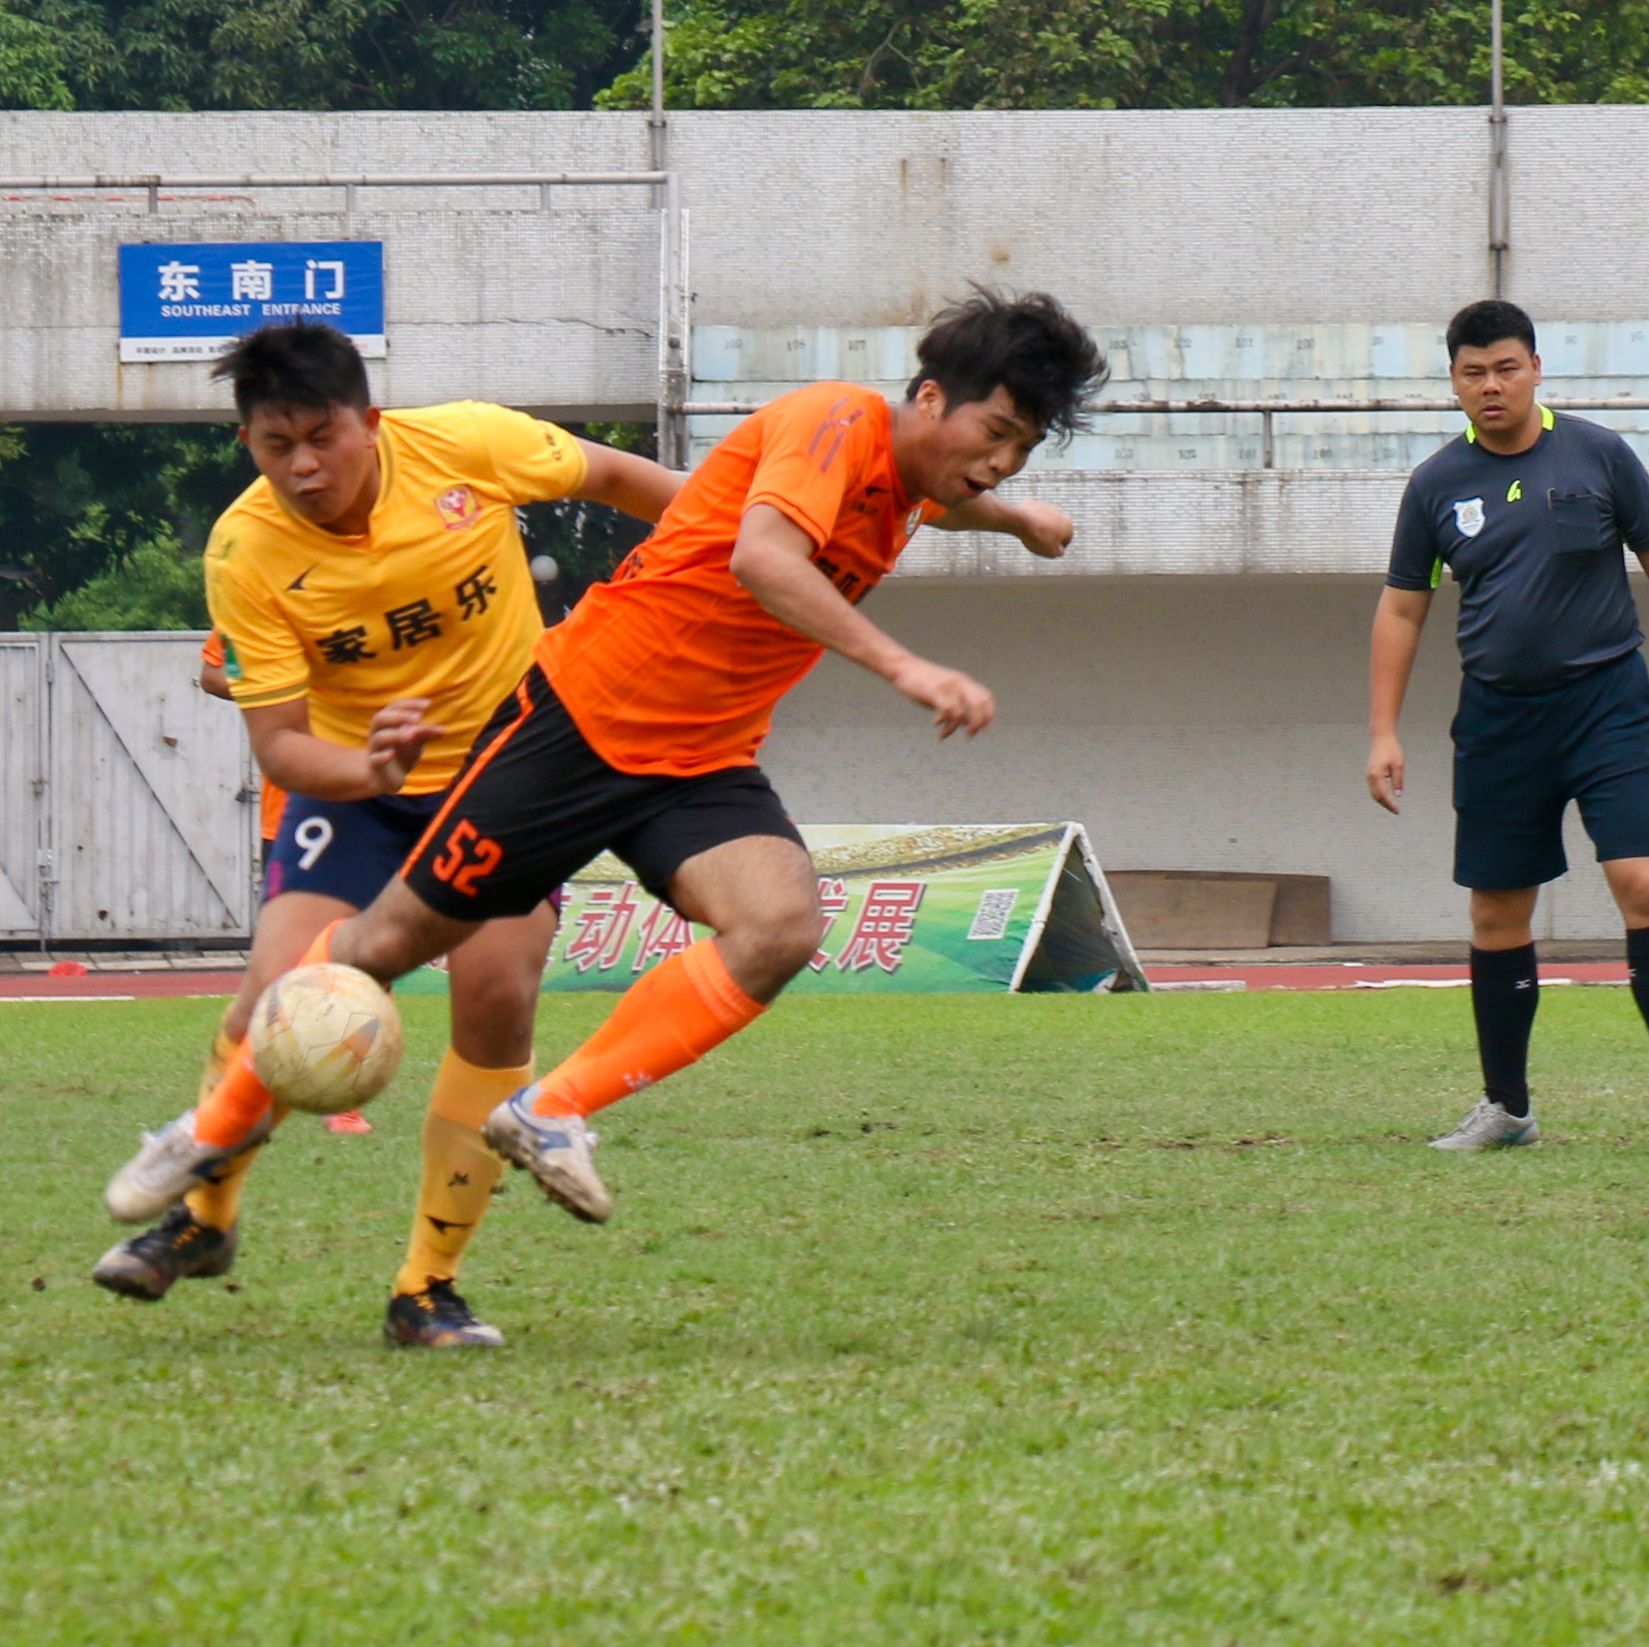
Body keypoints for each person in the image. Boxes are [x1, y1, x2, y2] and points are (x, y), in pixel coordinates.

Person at [120, 288, 1104, 1234]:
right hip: (581, 723)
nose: (1003, 462)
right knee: (379, 949)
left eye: (1022, 448)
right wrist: (907, 668)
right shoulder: (832, 421)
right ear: (931, 398)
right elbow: (764, 557)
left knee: (780, 925)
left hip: (701, 757)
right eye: (996, 434)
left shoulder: (902, 479)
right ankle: (204, 1133)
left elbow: (936, 500)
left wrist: (1017, 519)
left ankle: (551, 1112)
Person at [97, 323, 682, 1347]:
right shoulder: (246, 549)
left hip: (513, 776)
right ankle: (204, 1219)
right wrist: (366, 766)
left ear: (371, 420)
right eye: (277, 446)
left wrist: (742, 547)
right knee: (278, 987)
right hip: (356, 789)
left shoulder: (468, 445)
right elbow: (279, 744)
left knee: (497, 1003)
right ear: (248, 445)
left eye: (323, 436)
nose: (304, 466)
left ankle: (426, 1289)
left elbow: (630, 482)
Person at [1367, 299, 1649, 1153]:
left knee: (1644, 885)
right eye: (1472, 372)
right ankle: (1507, 1107)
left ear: (1535, 368)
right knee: (1497, 910)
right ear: (1453, 383)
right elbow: (1399, 610)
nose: (1490, 385)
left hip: (1607, 704)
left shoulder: (1599, 454)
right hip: (1498, 718)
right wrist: (1383, 731)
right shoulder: (1433, 485)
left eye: (1504, 367)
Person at [199, 630, 374, 1135]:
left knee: (363, 957)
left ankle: (344, 1097)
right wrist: (280, 689)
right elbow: (211, 673)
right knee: (282, 968)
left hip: (369, 804)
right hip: (292, 811)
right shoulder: (263, 593)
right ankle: (240, 1087)